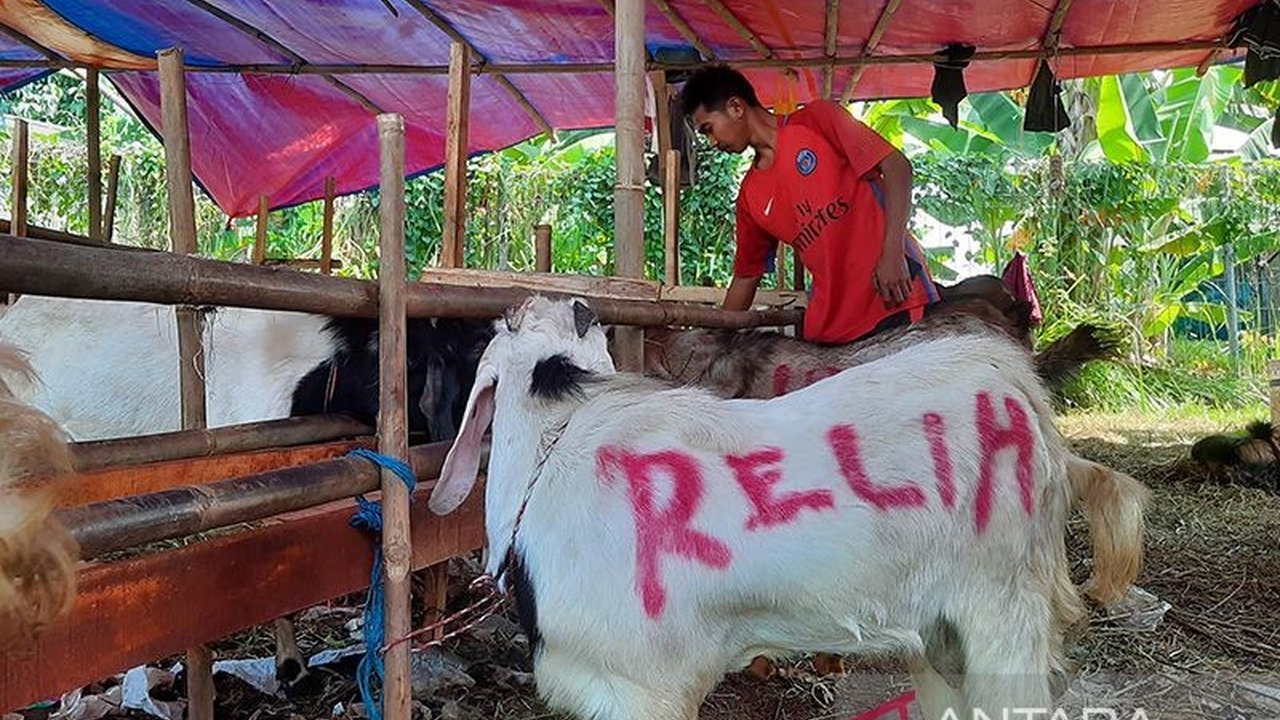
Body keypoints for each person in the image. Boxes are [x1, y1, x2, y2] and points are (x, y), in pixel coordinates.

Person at [679, 65, 939, 344]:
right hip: (831, 327)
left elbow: (897, 166)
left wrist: (892, 254)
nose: (712, 142)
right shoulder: (750, 196)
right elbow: (746, 277)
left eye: (709, 129)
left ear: (735, 107)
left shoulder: (818, 119)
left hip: (891, 297)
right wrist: (713, 343)